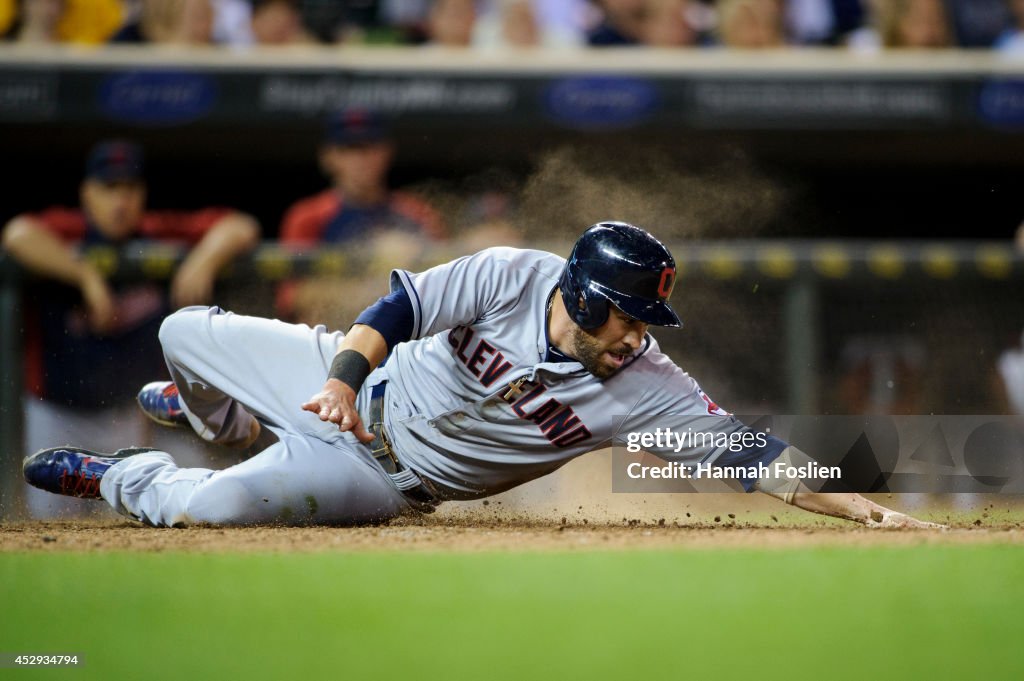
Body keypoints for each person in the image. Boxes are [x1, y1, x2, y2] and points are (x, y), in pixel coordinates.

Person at [23, 221, 944, 529]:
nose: (636, 337)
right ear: (583, 299)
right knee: (182, 329)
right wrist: (341, 378)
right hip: (338, 380)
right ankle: (215, 418)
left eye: (645, 322)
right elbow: (394, 313)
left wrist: (846, 497)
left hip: (374, 475)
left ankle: (118, 477)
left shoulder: (646, 385)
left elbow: (752, 453)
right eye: (627, 316)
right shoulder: (511, 274)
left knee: (205, 511)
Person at [2, 139, 259, 516]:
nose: (120, 201)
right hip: (55, 412)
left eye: (129, 188)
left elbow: (241, 225)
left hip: (124, 413)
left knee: (132, 516)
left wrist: (204, 257)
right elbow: (16, 234)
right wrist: (85, 275)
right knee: (51, 520)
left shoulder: (156, 233)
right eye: (108, 188)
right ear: (87, 193)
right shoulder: (67, 231)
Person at [277, 109, 444, 324]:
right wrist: (381, 280)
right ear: (329, 157)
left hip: (401, 344)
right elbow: (293, 298)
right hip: (332, 340)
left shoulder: (416, 213)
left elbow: (443, 287)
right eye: (349, 149)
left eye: (369, 147)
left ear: (386, 152)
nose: (360, 159)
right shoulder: (308, 216)